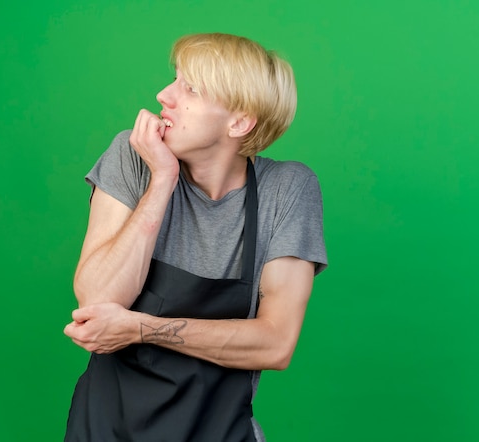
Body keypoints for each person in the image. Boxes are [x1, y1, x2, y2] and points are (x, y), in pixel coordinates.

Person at [63, 32, 328, 441]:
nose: (164, 95)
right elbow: (97, 303)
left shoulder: (287, 190)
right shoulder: (133, 157)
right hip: (105, 430)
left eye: (191, 88)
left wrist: (141, 328)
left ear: (239, 122)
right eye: (175, 79)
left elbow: (275, 343)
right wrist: (162, 180)